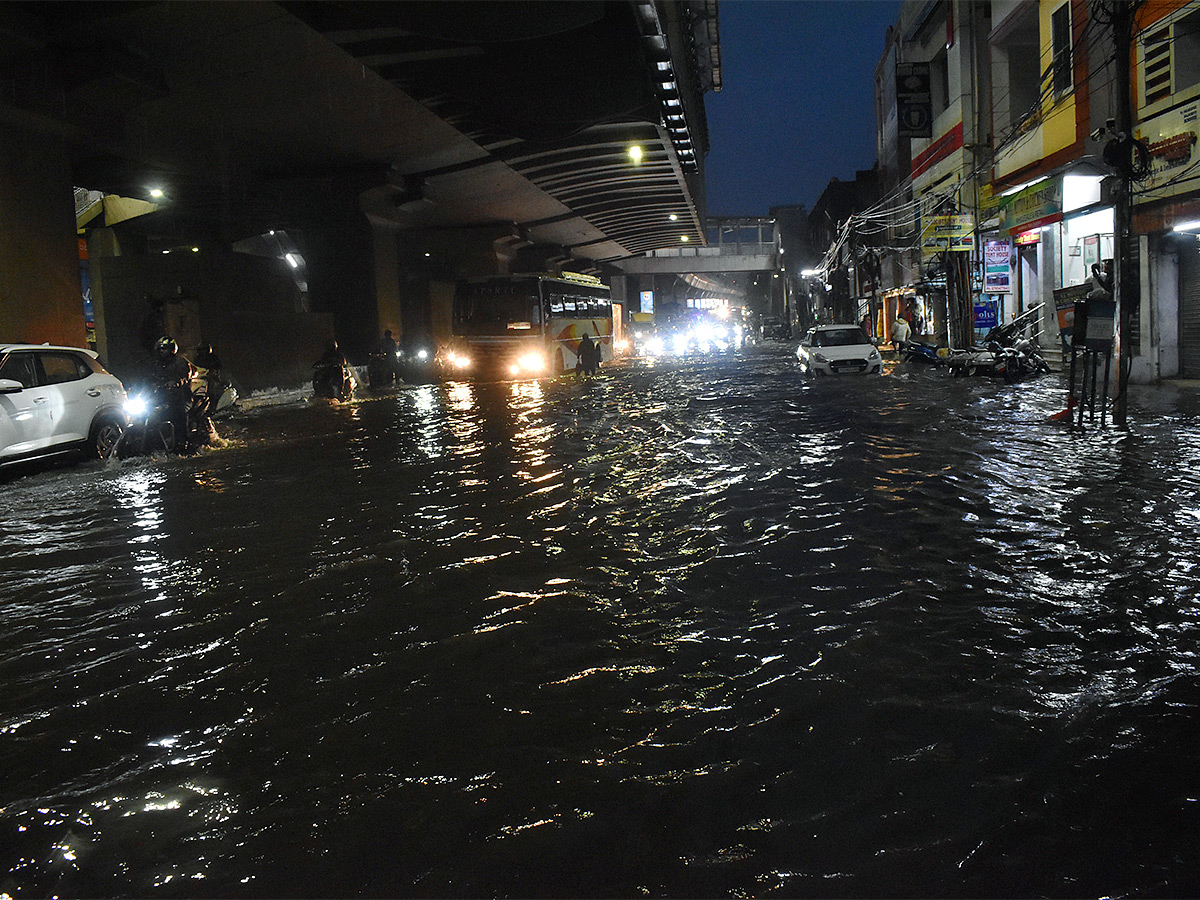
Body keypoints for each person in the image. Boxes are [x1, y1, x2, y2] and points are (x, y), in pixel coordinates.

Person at [153, 337, 196, 452]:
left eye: (164, 349)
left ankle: (183, 442)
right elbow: (150, 377)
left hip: (181, 396)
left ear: (172, 349)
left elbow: (185, 376)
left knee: (178, 414)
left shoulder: (181, 361)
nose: (162, 351)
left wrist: (177, 382)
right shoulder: (158, 364)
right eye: (160, 349)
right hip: (164, 397)